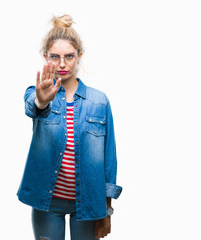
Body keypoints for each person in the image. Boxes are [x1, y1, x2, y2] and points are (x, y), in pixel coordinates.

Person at [17, 14, 122, 240]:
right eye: (55, 57)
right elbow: (33, 107)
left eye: (69, 56)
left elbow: (109, 159)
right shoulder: (36, 93)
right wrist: (42, 100)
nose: (62, 64)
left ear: (79, 56)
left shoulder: (99, 101)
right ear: (45, 57)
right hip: (47, 202)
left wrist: (107, 210)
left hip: (88, 204)